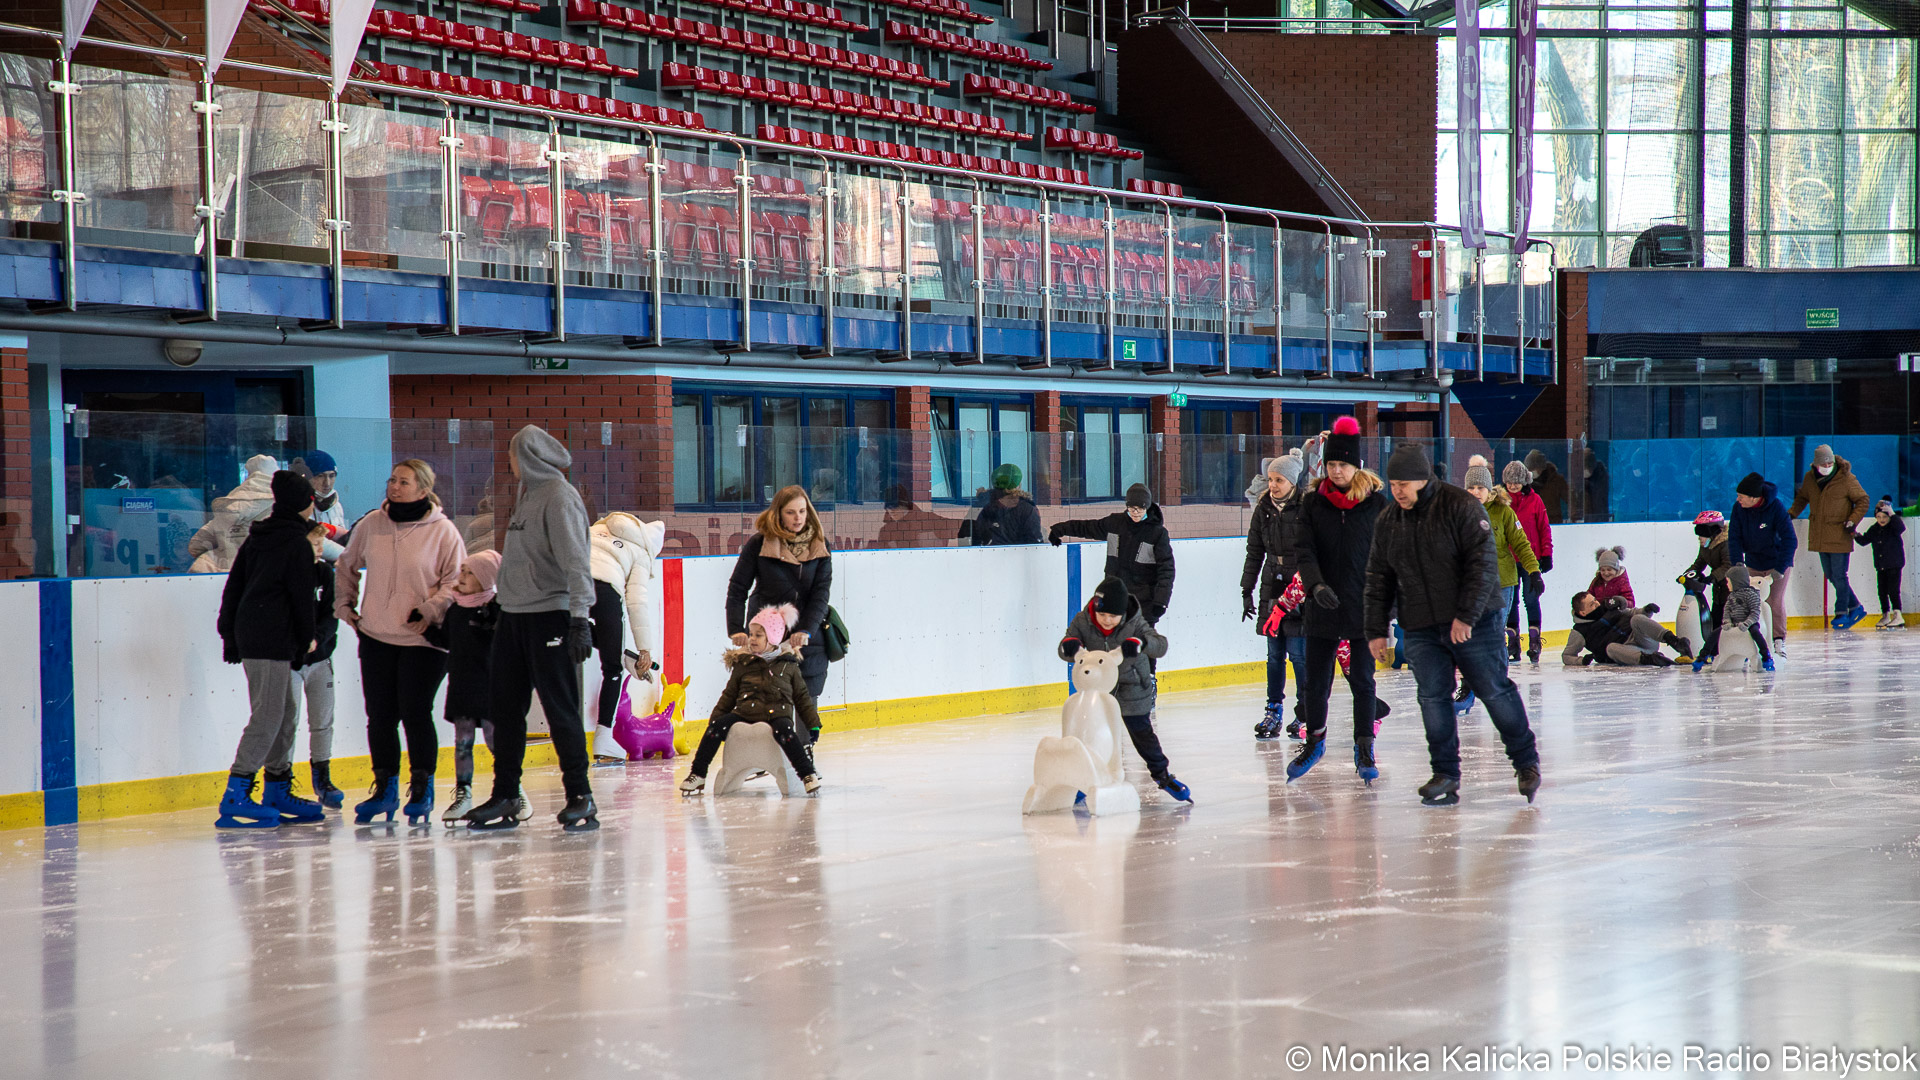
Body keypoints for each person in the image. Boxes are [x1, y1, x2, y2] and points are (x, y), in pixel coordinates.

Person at [1364, 443, 1540, 806]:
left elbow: (1482, 565)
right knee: (1432, 698)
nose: (1397, 491)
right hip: (1422, 625)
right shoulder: (1388, 520)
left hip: (1476, 621)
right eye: (1393, 483)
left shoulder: (1459, 506)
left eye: (1405, 483)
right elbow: (1378, 577)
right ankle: (1445, 775)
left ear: (1424, 479)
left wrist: (1466, 615)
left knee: (1493, 690)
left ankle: (1526, 762)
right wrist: (1376, 629)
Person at [465, 425, 599, 830]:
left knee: (560, 710)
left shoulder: (559, 497)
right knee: (505, 710)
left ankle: (580, 795)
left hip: (551, 617)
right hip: (515, 616)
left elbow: (577, 562)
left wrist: (579, 618)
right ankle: (506, 794)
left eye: (512, 454)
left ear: (529, 458)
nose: (508, 463)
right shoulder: (526, 495)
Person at [213, 471, 327, 829]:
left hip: (257, 634)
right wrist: (308, 637)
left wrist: (230, 634)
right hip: (271, 637)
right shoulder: (295, 542)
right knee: (268, 715)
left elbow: (234, 588)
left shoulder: (259, 537)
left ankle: (277, 787)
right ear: (308, 503)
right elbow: (300, 596)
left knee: (285, 711)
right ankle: (237, 790)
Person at [1290, 417, 1387, 783]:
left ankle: (1364, 747)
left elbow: (1388, 557)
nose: (1336, 471)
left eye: (1342, 465)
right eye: (1331, 464)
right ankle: (1315, 741)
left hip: (1363, 609)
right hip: (1323, 606)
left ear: (1356, 466)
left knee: (1363, 681)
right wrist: (1314, 587)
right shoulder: (1314, 503)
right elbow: (1305, 549)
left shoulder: (1376, 505)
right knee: (1316, 683)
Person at [1057, 577, 1189, 802]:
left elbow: (1161, 645)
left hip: (1133, 686)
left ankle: (1163, 775)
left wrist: (1141, 643)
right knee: (1093, 736)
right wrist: (1068, 645)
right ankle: (1085, 781)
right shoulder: (1083, 620)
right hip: (1100, 691)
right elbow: (1065, 648)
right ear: (1095, 609)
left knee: (1142, 734)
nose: (1107, 621)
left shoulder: (1135, 622)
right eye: (1102, 615)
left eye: (1113, 616)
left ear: (1122, 613)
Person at [678, 603, 822, 796]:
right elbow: (729, 695)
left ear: (773, 638)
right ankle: (698, 774)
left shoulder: (788, 665)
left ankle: (807, 774)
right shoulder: (744, 663)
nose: (751, 639)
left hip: (777, 715)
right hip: (744, 713)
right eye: (751, 634)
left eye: (758, 635)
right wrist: (716, 719)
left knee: (786, 733)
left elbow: (802, 697)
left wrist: (813, 724)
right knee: (716, 728)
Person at [727, 485, 835, 709]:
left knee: (806, 700)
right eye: (790, 512)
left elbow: (820, 594)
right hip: (766, 634)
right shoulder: (759, 544)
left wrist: (805, 630)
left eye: (803, 511)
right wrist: (736, 628)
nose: (798, 518)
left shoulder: (820, 546)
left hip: (808, 636)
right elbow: (738, 588)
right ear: (778, 513)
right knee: (766, 699)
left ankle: (805, 745)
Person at [437, 550, 518, 824]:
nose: (462, 577)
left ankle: (511, 790)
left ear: (486, 579)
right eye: (462, 570)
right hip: (461, 684)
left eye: (469, 573)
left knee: (497, 742)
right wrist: (421, 625)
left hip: (489, 687)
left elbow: (506, 647)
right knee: (463, 743)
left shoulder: (497, 609)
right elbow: (447, 640)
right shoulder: (456, 609)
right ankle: (464, 794)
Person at [587, 512, 667, 762]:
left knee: (572, 629)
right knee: (612, 668)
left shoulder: (595, 529)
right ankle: (603, 738)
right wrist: (644, 650)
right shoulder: (641, 551)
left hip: (565, 585)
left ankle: (620, 653)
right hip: (604, 591)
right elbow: (636, 602)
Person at [1241, 451, 1307, 740]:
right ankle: (1273, 710)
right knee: (1274, 656)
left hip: (1299, 589)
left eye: (1279, 480)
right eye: (1270, 479)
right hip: (1271, 585)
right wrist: (1246, 590)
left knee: (1299, 655)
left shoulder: (1307, 508)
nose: (1273, 485)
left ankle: (1305, 712)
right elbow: (1254, 553)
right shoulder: (1263, 509)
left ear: (1292, 481)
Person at [1048, 483, 1175, 625]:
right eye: (1132, 508)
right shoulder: (1115, 523)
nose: (1135, 512)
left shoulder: (1157, 533)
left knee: (1140, 643)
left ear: (1147, 507)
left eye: (1140, 508)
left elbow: (1166, 570)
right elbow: (1087, 527)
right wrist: (1059, 530)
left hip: (1143, 604)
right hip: (1115, 600)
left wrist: (1161, 601)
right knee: (1115, 644)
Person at [1788, 444, 1871, 630]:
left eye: (1829, 462)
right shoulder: (1810, 478)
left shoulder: (1846, 478)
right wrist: (1792, 513)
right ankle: (1856, 607)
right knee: (1831, 575)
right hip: (1820, 534)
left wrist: (1853, 520)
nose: (1827, 465)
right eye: (1823, 463)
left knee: (1840, 575)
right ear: (1816, 464)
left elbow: (1863, 500)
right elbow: (1802, 498)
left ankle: (1841, 612)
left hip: (1840, 533)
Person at [297, 516, 343, 809]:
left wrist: (318, 640)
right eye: (314, 543)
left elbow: (331, 614)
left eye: (321, 543)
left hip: (321, 659)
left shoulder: (326, 574)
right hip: (291, 661)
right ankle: (280, 777)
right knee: (286, 722)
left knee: (323, 721)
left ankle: (322, 776)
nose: (319, 548)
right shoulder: (286, 575)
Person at [1728, 471, 1795, 658]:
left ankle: (1778, 640)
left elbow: (1790, 539)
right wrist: (1737, 565)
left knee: (1774, 601)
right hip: (1753, 562)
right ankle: (1754, 640)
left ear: (1753, 497)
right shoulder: (1738, 508)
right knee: (1751, 602)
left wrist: (1780, 569)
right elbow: (1734, 538)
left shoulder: (1776, 508)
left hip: (1776, 562)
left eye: (1741, 496)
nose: (1738, 499)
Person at [189, 453, 279, 573]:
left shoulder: (230, 505)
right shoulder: (285, 507)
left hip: (223, 577)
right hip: (264, 577)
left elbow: (196, 545)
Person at [1503, 459, 1552, 663]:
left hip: (1530, 559)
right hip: (1507, 560)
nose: (1513, 486)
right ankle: (1513, 644)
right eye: (1509, 482)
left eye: (1517, 482)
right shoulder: (1501, 502)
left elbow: (1543, 528)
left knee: (1531, 599)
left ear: (1525, 481)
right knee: (1510, 602)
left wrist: (1546, 554)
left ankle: (1534, 643)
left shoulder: (1535, 501)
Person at [1563, 592, 1689, 666]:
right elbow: (1567, 655)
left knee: (1637, 618)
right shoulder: (1579, 631)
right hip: (1629, 652)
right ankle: (1652, 659)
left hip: (1644, 640)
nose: (1597, 604)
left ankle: (1674, 641)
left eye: (1595, 600)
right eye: (1592, 604)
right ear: (1583, 612)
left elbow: (1633, 612)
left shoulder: (1608, 607)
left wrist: (1647, 610)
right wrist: (1581, 661)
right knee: (1611, 648)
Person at [1683, 511, 1734, 668]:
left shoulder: (1726, 543)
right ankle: (1714, 652)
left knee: (1727, 618)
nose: (1699, 537)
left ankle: (1730, 651)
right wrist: (1687, 575)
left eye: (1702, 533)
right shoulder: (1706, 545)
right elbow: (1699, 563)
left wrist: (1711, 577)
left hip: (1730, 587)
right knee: (1715, 617)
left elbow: (1728, 565)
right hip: (1718, 588)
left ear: (1712, 530)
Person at [1855, 497, 1906, 629]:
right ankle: (1885, 615)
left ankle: (1897, 614)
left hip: (1894, 564)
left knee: (1893, 590)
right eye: (1878, 517)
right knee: (1882, 591)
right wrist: (1853, 533)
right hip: (1881, 565)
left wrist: (1893, 513)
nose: (1882, 519)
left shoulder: (1893, 527)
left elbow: (1901, 528)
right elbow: (1864, 540)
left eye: (1884, 516)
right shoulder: (1874, 529)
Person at [1716, 565, 1776, 671]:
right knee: (1716, 633)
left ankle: (1766, 655)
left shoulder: (1751, 595)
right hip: (1735, 623)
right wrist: (1727, 622)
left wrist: (1747, 623)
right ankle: (1703, 655)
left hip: (1750, 624)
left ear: (1736, 582)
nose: (1727, 584)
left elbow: (1755, 613)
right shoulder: (1731, 597)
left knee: (1756, 634)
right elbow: (1727, 611)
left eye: (1728, 581)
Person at [967, 464, 1043, 546]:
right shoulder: (1027, 509)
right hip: (1018, 556)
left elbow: (977, 539)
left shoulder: (986, 506)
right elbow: (1035, 543)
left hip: (990, 556)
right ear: (1018, 485)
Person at [303, 450, 347, 533]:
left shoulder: (337, 507)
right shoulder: (300, 507)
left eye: (331, 476)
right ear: (309, 477)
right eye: (320, 476)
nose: (327, 483)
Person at [1524, 449, 1570, 524]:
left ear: (1541, 468)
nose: (1532, 472)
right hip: (1531, 523)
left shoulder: (1556, 481)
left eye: (1534, 469)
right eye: (1529, 470)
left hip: (1552, 523)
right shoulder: (1525, 483)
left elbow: (1570, 499)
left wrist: (1575, 516)